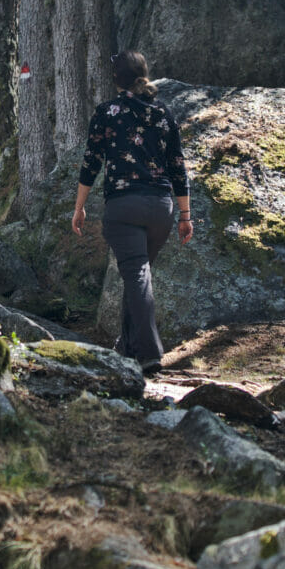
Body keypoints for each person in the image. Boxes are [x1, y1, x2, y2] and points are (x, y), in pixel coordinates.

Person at [72, 50, 193, 375]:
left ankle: (149, 353)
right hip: (160, 210)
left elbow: (91, 163)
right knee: (136, 276)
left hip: (124, 208)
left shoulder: (107, 112)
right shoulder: (163, 113)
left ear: (116, 79)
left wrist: (79, 207)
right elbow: (178, 167)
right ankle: (125, 348)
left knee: (137, 275)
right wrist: (185, 215)